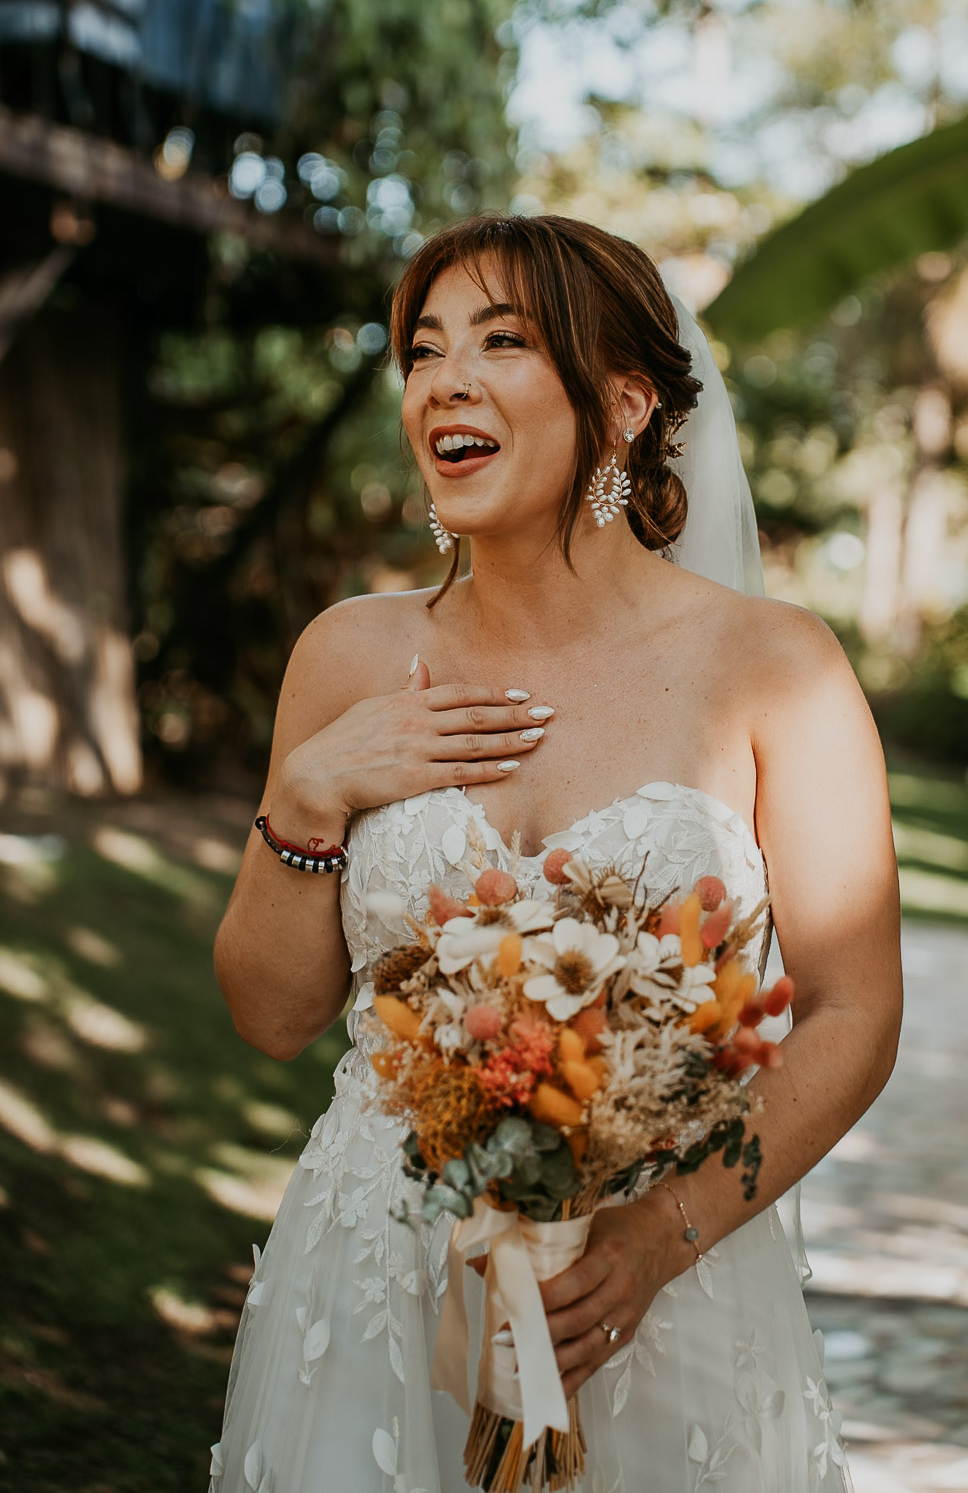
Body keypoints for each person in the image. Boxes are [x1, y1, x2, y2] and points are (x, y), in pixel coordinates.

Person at [210, 213, 901, 1493]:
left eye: (503, 341)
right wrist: (308, 797)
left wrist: (648, 1241)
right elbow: (269, 1015)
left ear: (626, 401)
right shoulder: (348, 656)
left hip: (654, 1292)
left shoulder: (776, 670)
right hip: (371, 1287)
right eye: (422, 351)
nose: (444, 381)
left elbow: (854, 1012)